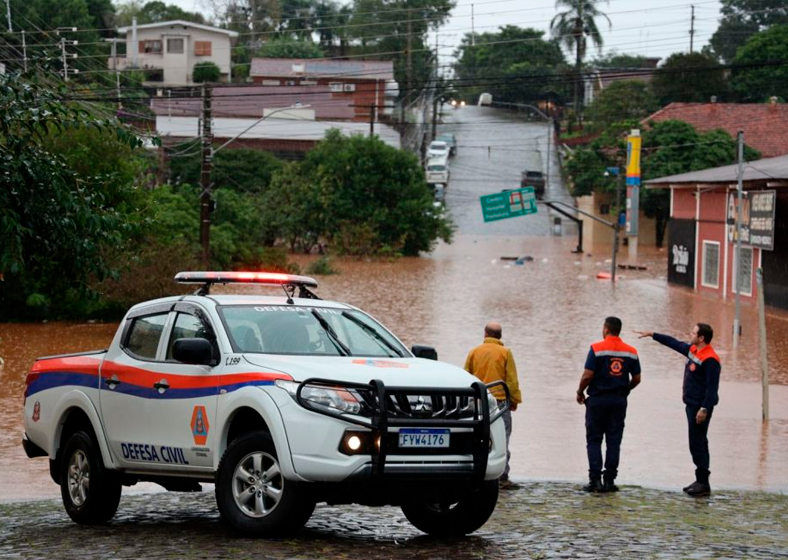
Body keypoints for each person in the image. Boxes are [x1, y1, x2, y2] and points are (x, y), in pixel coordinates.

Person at [635, 324, 720, 497]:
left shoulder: (710, 359)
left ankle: (703, 483)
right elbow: (674, 343)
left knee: (698, 442)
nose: (691, 334)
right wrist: (653, 334)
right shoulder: (693, 350)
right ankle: (700, 480)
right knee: (697, 441)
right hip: (691, 404)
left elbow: (712, 389)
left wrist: (704, 409)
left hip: (699, 407)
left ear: (702, 338)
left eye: (694, 332)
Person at [576, 317, 641, 493]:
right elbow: (637, 378)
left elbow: (587, 375)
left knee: (594, 439)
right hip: (619, 401)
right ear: (619, 330)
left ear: (606, 329)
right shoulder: (631, 351)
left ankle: (595, 480)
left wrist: (580, 392)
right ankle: (610, 481)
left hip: (597, 400)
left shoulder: (596, 349)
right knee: (614, 440)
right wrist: (625, 389)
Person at [464, 322, 522, 488]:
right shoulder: (505, 353)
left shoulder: (474, 352)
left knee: (477, 437)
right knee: (502, 438)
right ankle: (502, 476)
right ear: (500, 336)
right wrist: (514, 400)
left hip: (478, 401)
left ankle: (476, 471)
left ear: (485, 334)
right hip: (500, 402)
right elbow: (511, 379)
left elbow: (465, 375)